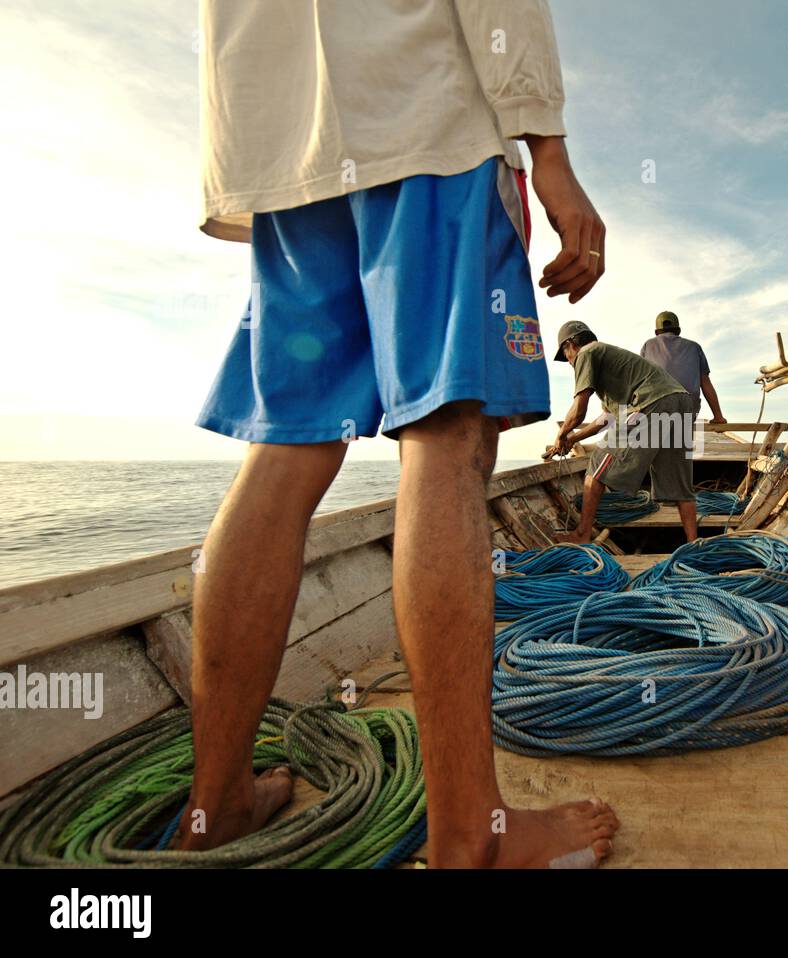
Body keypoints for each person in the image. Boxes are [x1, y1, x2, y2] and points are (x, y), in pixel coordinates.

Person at [186, 0, 619, 868]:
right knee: (449, 436)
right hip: (424, 122)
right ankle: (471, 833)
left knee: (285, 452)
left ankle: (218, 803)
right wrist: (550, 152)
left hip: (280, 147)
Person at [547, 321, 700, 543]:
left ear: (570, 344)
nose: (569, 361)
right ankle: (693, 543)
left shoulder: (586, 353)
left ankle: (581, 534)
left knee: (598, 464)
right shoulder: (610, 361)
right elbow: (606, 419)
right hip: (681, 402)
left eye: (566, 355)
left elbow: (579, 410)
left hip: (651, 402)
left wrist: (560, 435)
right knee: (680, 484)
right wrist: (573, 438)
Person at [640, 310, 726, 423]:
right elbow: (705, 383)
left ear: (656, 332)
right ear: (678, 330)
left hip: (657, 409)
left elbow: (640, 382)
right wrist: (718, 417)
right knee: (681, 434)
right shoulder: (694, 347)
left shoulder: (648, 345)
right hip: (687, 411)